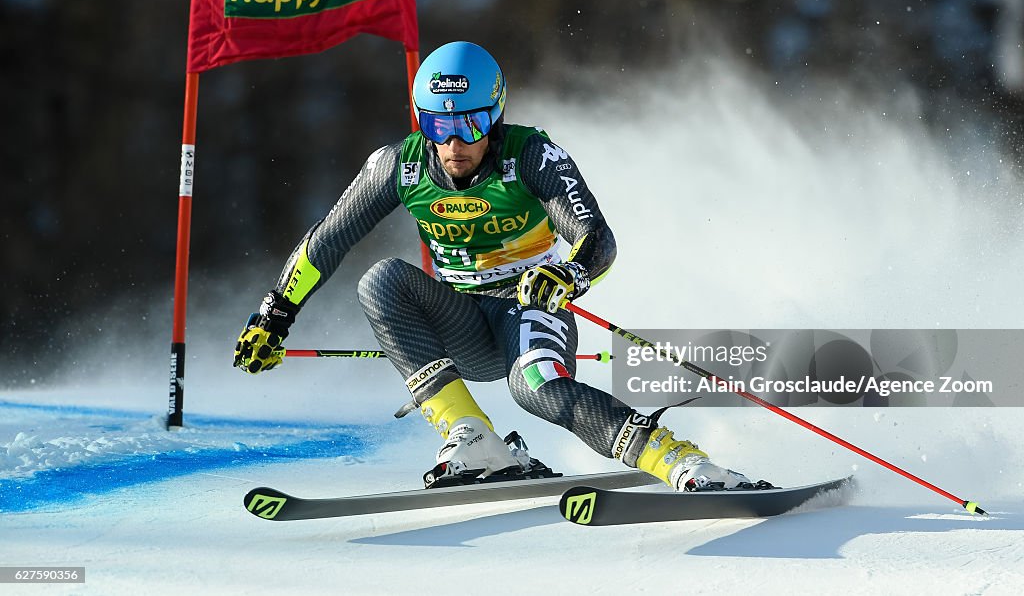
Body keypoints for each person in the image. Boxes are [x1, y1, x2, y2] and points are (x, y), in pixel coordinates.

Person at [233, 41, 752, 491]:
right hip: (463, 323)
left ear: (495, 114)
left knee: (534, 388)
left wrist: (568, 274)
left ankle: (681, 461)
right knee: (381, 280)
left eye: (471, 123)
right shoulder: (399, 165)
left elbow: (598, 240)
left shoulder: (530, 155)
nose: (454, 143)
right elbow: (327, 239)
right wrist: (276, 312)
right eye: (438, 124)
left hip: (530, 308)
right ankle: (476, 438)